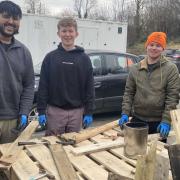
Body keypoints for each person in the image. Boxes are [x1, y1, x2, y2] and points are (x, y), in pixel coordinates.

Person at [37, 17, 94, 135]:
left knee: (73, 147)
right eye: (64, 31)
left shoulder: (84, 59)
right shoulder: (50, 58)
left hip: (77, 113)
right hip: (55, 112)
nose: (67, 34)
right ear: (58, 33)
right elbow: (43, 86)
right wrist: (41, 110)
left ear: (76, 33)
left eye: (70, 31)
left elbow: (89, 87)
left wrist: (89, 112)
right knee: (53, 146)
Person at [118, 32, 180, 139]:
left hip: (158, 122)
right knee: (134, 151)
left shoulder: (171, 69)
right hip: (138, 119)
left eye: (158, 45)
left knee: (155, 154)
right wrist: (125, 113)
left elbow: (172, 97)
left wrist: (166, 120)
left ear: (163, 48)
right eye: (151, 44)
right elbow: (129, 93)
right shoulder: (135, 68)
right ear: (147, 46)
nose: (154, 48)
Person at [0, 1, 34, 144]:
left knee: (7, 163)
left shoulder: (24, 52)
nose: (11, 22)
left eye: (15, 19)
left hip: (12, 121)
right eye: (6, 16)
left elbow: (29, 85)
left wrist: (25, 112)